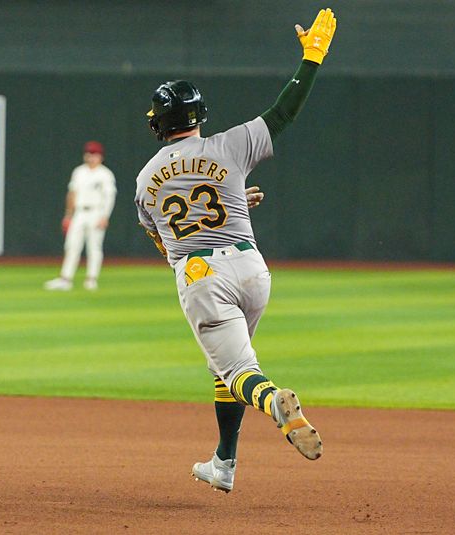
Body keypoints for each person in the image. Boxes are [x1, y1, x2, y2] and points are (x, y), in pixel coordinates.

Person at [134, 8, 337, 492]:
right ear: (198, 116)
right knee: (225, 366)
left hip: (202, 275)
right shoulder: (231, 146)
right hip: (252, 267)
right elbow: (285, 110)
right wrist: (311, 57)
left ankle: (276, 405)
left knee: (241, 370)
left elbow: (167, 237)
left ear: (159, 123)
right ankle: (224, 464)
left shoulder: (145, 181)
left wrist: (217, 211)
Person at [45, 141, 117, 291]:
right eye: (89, 154)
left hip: (96, 212)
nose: (91, 157)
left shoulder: (105, 174)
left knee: (94, 247)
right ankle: (66, 279)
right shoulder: (79, 172)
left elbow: (109, 197)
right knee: (72, 246)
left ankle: (91, 279)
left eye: (95, 154)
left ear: (101, 157)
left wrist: (105, 216)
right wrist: (68, 215)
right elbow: (72, 194)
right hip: (79, 213)